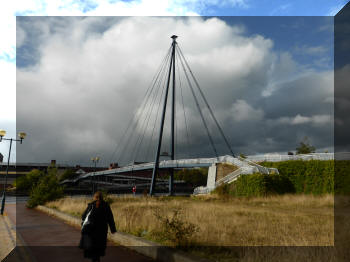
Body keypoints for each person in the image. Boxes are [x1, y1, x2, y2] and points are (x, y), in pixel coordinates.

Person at [79, 191, 116, 262]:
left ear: (94, 197)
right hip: (102, 232)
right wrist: (113, 229)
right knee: (98, 250)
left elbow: (83, 216)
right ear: (102, 198)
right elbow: (110, 218)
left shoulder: (91, 206)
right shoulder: (106, 206)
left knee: (93, 250)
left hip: (91, 232)